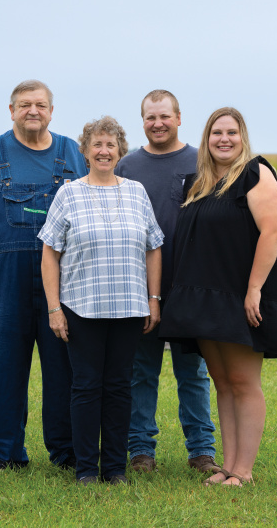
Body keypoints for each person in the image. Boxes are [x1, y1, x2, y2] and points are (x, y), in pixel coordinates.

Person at [159, 107, 277, 487]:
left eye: (231, 132)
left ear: (242, 137)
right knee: (222, 382)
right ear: (206, 140)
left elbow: (272, 233)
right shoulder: (198, 183)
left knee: (244, 382)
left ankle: (244, 470)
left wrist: (255, 289)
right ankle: (228, 465)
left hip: (243, 295)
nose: (223, 139)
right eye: (216, 133)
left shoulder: (257, 173)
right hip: (206, 298)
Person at [0, 80, 87, 471]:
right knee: (2, 368)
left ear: (51, 111)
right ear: (11, 110)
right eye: (25, 105)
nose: (33, 111)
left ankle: (66, 452)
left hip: (62, 281)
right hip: (2, 280)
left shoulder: (72, 154)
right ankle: (5, 454)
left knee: (64, 367)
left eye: (41, 105)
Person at [38, 116, 164, 485]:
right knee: (86, 387)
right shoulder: (69, 193)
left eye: (110, 145)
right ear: (85, 151)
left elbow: (153, 247)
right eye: (97, 145)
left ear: (120, 151)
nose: (104, 151)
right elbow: (50, 253)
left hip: (129, 308)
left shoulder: (136, 192)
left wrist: (153, 299)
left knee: (119, 387)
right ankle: (85, 469)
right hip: (82, 308)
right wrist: (54, 307)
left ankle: (114, 468)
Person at [115, 90, 218, 475]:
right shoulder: (128, 165)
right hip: (138, 288)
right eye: (149, 117)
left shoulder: (200, 161)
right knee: (141, 372)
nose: (157, 123)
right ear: (142, 121)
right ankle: (141, 450)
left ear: (178, 117)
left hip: (190, 287)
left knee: (192, 372)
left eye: (164, 116)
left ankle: (202, 450)